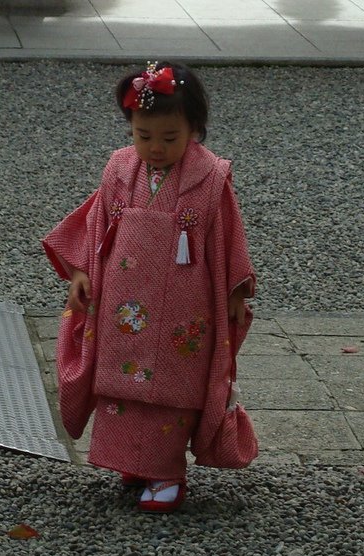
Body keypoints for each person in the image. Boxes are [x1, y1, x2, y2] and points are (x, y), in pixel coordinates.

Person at [42, 61, 256, 513]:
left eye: (169, 138)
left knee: (172, 385)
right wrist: (81, 270)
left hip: (185, 304)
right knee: (120, 377)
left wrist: (235, 290)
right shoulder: (120, 168)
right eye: (144, 136)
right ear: (131, 128)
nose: (155, 148)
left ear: (194, 129)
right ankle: (131, 462)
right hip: (124, 298)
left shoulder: (211, 177)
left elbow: (227, 235)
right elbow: (97, 222)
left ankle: (166, 473)